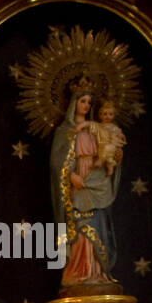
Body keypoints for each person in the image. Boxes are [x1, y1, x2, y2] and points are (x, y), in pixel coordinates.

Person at [49, 84, 123, 290]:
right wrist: (70, 175)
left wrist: (115, 157)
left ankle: (98, 272)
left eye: (89, 102)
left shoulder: (95, 128)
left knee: (98, 223)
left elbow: (107, 149)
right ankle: (79, 272)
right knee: (81, 225)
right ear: (74, 104)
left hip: (96, 180)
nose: (86, 105)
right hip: (77, 183)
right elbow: (57, 163)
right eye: (82, 101)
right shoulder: (65, 131)